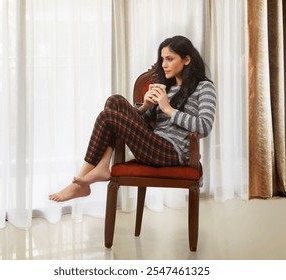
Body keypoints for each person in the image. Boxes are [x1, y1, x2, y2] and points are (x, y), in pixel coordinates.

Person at [49, 35, 216, 202]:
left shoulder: (204, 87)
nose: (164, 64)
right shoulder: (167, 87)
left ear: (186, 59)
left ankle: (80, 181)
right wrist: (145, 106)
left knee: (108, 116)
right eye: (162, 59)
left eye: (170, 59)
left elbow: (205, 127)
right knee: (115, 101)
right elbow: (140, 126)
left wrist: (168, 108)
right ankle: (102, 165)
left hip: (174, 152)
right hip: (154, 144)